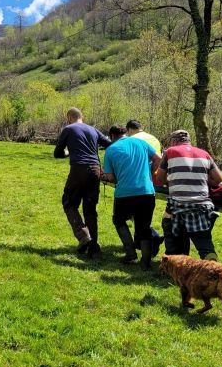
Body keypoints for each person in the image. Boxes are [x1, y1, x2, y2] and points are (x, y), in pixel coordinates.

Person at [155, 130, 222, 260]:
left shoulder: (170, 152)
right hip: (202, 205)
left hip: (178, 204)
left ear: (173, 141)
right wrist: (203, 179)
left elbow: (160, 178)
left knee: (171, 230)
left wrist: (172, 181)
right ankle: (211, 262)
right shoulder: (204, 154)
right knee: (203, 240)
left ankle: (175, 259)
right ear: (189, 141)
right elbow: (219, 179)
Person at [102, 125, 162, 268]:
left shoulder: (110, 150)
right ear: (125, 133)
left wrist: (119, 177)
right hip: (146, 191)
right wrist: (150, 172)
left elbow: (110, 177)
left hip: (125, 193)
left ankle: (130, 253)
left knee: (119, 220)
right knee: (144, 226)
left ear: (111, 136)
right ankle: (145, 262)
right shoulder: (141, 142)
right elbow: (158, 158)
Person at [54, 108, 111, 257]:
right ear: (82, 116)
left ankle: (83, 236)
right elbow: (109, 144)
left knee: (69, 202)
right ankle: (93, 247)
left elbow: (57, 153)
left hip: (79, 169)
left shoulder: (68, 129)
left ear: (69, 117)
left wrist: (68, 152)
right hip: (95, 169)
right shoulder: (93, 129)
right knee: (90, 208)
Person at [126, 119, 165, 256]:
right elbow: (159, 158)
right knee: (142, 212)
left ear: (129, 130)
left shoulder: (132, 139)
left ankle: (151, 236)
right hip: (153, 179)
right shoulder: (154, 138)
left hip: (137, 179)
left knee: (131, 211)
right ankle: (144, 240)